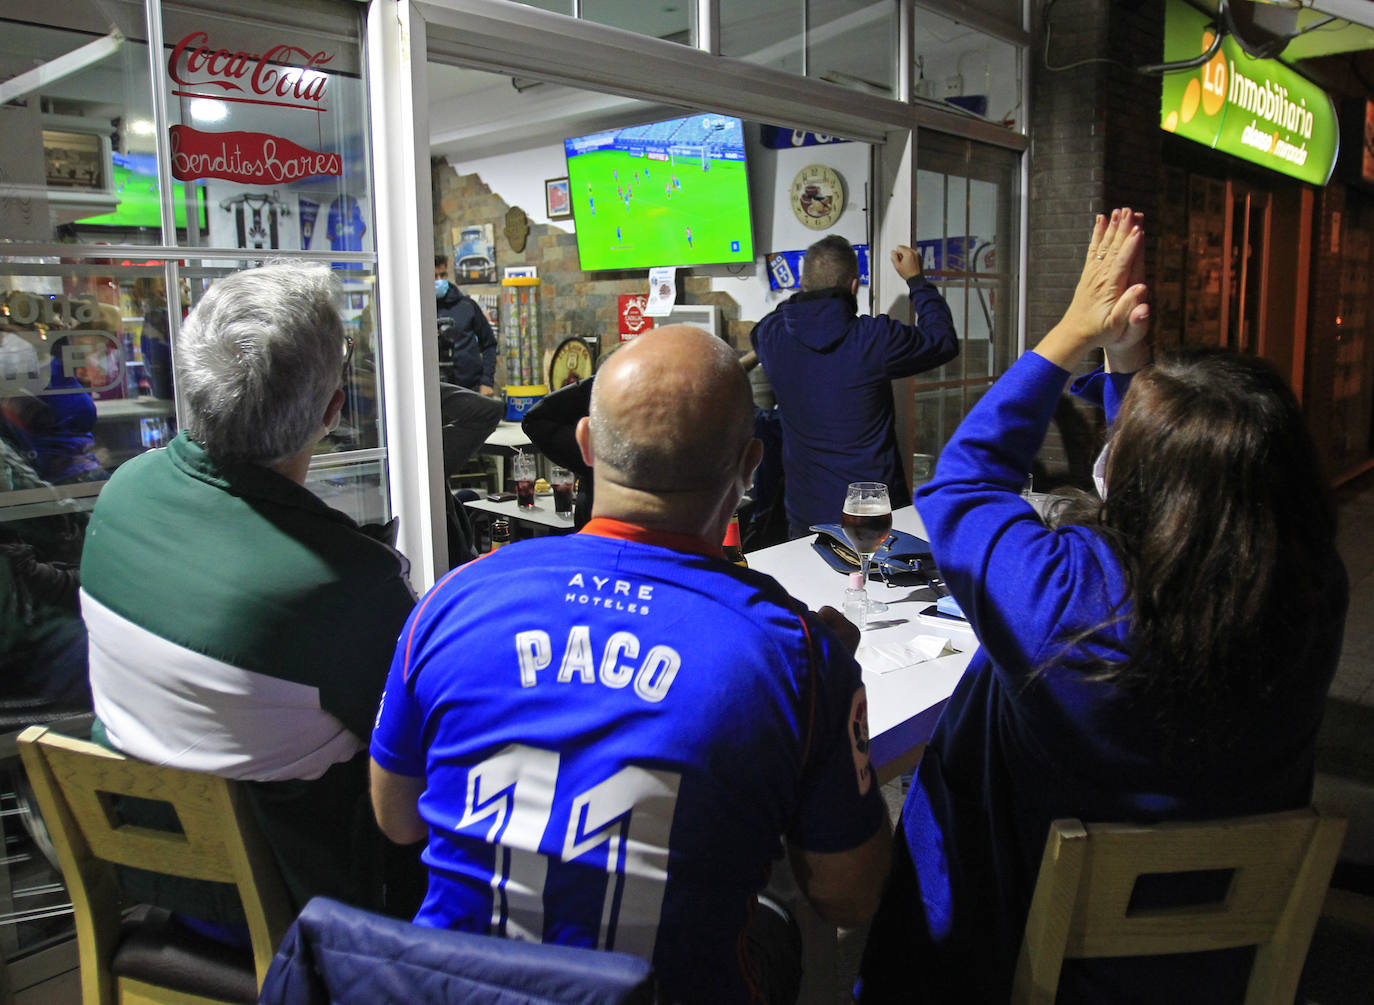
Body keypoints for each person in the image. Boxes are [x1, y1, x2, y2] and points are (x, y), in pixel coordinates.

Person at [857, 210, 1348, 1003]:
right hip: (1208, 960)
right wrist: (1128, 362)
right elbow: (1187, 505)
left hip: (1024, 937)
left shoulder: (1065, 602)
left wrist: (1071, 332)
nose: (1105, 450)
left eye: (1121, 445)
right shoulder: (1315, 591)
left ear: (1145, 484)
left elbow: (961, 484)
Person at [370, 324, 891, 1005]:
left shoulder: (452, 598)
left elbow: (397, 817)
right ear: (750, 465)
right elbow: (851, 895)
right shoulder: (798, 653)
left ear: (585, 445)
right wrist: (831, 697)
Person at [81, 262, 420, 926]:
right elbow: (422, 762)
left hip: (150, 880)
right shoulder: (347, 583)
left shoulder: (122, 494)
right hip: (298, 916)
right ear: (330, 410)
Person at [751, 235, 958, 537]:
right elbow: (943, 341)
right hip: (871, 514)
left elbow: (771, 321)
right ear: (852, 286)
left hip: (805, 516)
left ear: (803, 284)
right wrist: (917, 280)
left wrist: (805, 298)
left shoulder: (772, 336)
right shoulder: (873, 338)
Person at [433, 254, 498, 397]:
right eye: (434, 276)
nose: (439, 281)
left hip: (470, 389)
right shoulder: (418, 311)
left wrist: (486, 382)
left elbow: (489, 344)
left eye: (442, 275)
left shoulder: (466, 306)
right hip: (434, 392)